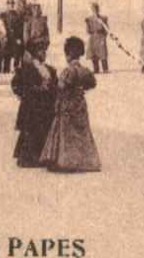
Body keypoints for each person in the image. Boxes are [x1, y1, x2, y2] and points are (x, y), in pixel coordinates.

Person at [40, 36, 101, 173]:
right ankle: (84, 160)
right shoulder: (85, 71)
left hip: (67, 103)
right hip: (79, 103)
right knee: (81, 130)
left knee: (66, 132)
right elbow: (92, 84)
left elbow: (61, 87)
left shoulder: (68, 71)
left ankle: (66, 160)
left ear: (68, 54)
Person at [10, 44, 58, 168]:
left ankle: (41, 156)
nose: (44, 54)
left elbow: (55, 86)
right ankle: (29, 158)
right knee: (31, 132)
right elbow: (17, 85)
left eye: (45, 51)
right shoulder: (28, 69)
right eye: (41, 51)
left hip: (46, 106)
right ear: (36, 54)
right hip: (32, 106)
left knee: (43, 131)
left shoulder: (50, 69)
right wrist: (32, 90)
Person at [84, 4, 110, 73]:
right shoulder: (89, 19)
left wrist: (103, 37)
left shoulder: (103, 19)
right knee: (93, 54)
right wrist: (87, 25)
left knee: (103, 53)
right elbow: (88, 31)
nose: (95, 11)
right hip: (93, 38)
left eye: (96, 9)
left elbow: (107, 30)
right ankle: (96, 69)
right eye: (93, 9)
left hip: (100, 37)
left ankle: (105, 69)